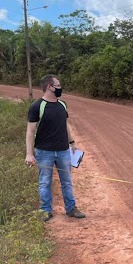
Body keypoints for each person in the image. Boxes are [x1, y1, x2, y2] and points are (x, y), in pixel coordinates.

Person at [25, 74, 85, 222]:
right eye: (57, 85)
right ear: (49, 87)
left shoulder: (62, 104)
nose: (60, 88)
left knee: (67, 181)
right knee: (45, 181)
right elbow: (30, 131)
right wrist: (29, 153)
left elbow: (65, 125)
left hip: (63, 150)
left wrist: (72, 143)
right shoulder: (37, 106)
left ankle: (71, 208)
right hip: (44, 151)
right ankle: (46, 210)